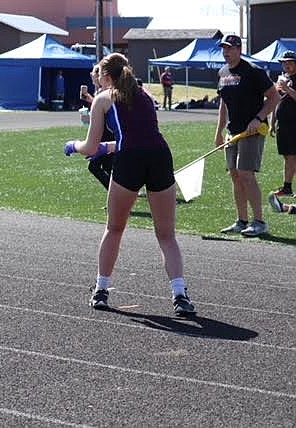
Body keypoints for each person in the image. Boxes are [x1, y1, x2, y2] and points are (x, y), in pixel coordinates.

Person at [63, 53, 196, 316]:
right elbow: (139, 137)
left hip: (130, 161)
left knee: (114, 228)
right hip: (159, 157)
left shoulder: (103, 98)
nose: (97, 81)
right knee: (167, 235)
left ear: (107, 76)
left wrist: (74, 145)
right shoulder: (143, 93)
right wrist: (107, 147)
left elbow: (89, 146)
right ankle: (180, 295)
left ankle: (101, 290)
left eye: (99, 76)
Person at [215, 34, 280, 237]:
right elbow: (223, 105)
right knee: (235, 175)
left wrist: (259, 119)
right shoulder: (223, 72)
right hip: (232, 132)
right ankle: (241, 221)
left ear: (239, 49)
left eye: (229, 48)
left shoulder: (253, 71)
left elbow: (274, 97)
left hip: (252, 131)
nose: (226, 52)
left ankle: (260, 222)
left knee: (246, 174)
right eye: (223, 48)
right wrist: (219, 132)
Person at [75, 64, 115, 191]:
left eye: (93, 73)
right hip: (103, 134)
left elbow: (103, 111)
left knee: (95, 167)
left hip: (105, 135)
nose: (91, 75)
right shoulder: (100, 92)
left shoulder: (105, 92)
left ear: (99, 76)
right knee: (109, 167)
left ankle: (119, 196)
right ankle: (117, 197)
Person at [269, 50, 296, 197]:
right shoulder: (282, 78)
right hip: (282, 123)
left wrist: (287, 88)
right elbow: (276, 100)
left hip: (294, 124)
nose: (287, 65)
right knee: (287, 156)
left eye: (290, 62)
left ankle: (287, 187)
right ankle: (287, 187)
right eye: (285, 63)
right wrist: (272, 122)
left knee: (292, 156)